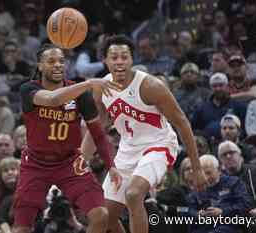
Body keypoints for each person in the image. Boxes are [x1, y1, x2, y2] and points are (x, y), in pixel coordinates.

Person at [83, 35, 208, 233]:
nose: (119, 62)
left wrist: (197, 167)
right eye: (114, 57)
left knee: (133, 195)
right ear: (105, 60)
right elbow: (97, 129)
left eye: (124, 57)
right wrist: (79, 162)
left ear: (133, 59)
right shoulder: (101, 88)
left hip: (159, 145)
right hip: (128, 149)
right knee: (105, 216)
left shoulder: (150, 86)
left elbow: (182, 122)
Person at [13, 43, 122, 233]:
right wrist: (88, 83)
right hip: (35, 164)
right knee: (22, 227)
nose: (57, 65)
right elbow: (53, 99)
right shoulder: (28, 89)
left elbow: (97, 132)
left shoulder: (80, 95)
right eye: (51, 61)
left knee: (101, 215)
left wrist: (111, 165)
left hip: (69, 162)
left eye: (61, 61)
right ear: (40, 65)